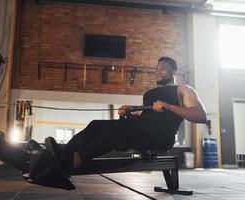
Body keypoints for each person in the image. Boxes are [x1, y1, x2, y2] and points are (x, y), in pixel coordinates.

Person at [44, 56, 207, 175]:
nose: (159, 71)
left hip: (162, 137)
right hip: (142, 132)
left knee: (123, 126)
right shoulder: (149, 94)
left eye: (163, 67)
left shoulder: (183, 89)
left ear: (174, 71)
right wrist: (126, 114)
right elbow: (141, 121)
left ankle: (76, 161)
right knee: (96, 124)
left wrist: (169, 106)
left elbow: (201, 116)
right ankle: (63, 155)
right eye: (157, 68)